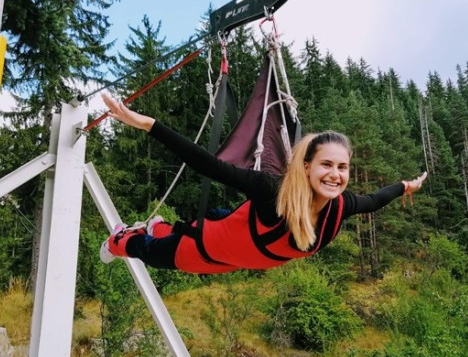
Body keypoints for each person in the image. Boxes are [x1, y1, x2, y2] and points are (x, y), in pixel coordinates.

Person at [99, 93, 428, 274]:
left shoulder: (341, 207)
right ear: (306, 166)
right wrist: (148, 125)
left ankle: (162, 227)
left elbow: (375, 199)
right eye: (326, 164)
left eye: (342, 167)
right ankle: (121, 239)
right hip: (204, 247)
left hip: (229, 256)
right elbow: (209, 165)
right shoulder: (273, 192)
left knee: (205, 220)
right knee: (147, 251)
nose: (335, 175)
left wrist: (405, 186)